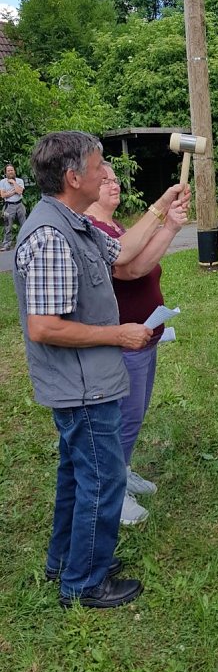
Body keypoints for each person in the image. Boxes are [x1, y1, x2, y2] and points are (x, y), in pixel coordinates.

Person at [13, 131, 188, 608]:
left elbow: (125, 254)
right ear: (73, 177)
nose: (105, 172)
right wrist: (119, 334)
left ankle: (66, 560)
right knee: (103, 478)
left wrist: (161, 208)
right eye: (98, 166)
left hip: (88, 380)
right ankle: (84, 583)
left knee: (77, 475)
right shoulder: (51, 235)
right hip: (81, 386)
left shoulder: (75, 223)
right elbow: (45, 327)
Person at [86, 163, 188, 526]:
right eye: (106, 180)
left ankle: (123, 469)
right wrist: (161, 210)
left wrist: (172, 227)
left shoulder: (115, 226)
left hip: (144, 335)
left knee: (134, 414)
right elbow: (127, 269)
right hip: (122, 339)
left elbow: (143, 265)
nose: (114, 185)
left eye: (115, 179)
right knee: (122, 419)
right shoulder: (94, 227)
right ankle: (113, 492)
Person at [0, 163, 26, 250]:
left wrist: (14, 182)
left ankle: (25, 243)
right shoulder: (2, 182)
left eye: (12, 170)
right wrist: (13, 192)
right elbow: (3, 195)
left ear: (14, 171)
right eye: (8, 171)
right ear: (6, 173)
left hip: (19, 204)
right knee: (8, 226)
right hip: (9, 206)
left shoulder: (20, 181)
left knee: (24, 224)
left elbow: (20, 192)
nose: (10, 172)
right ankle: (7, 244)